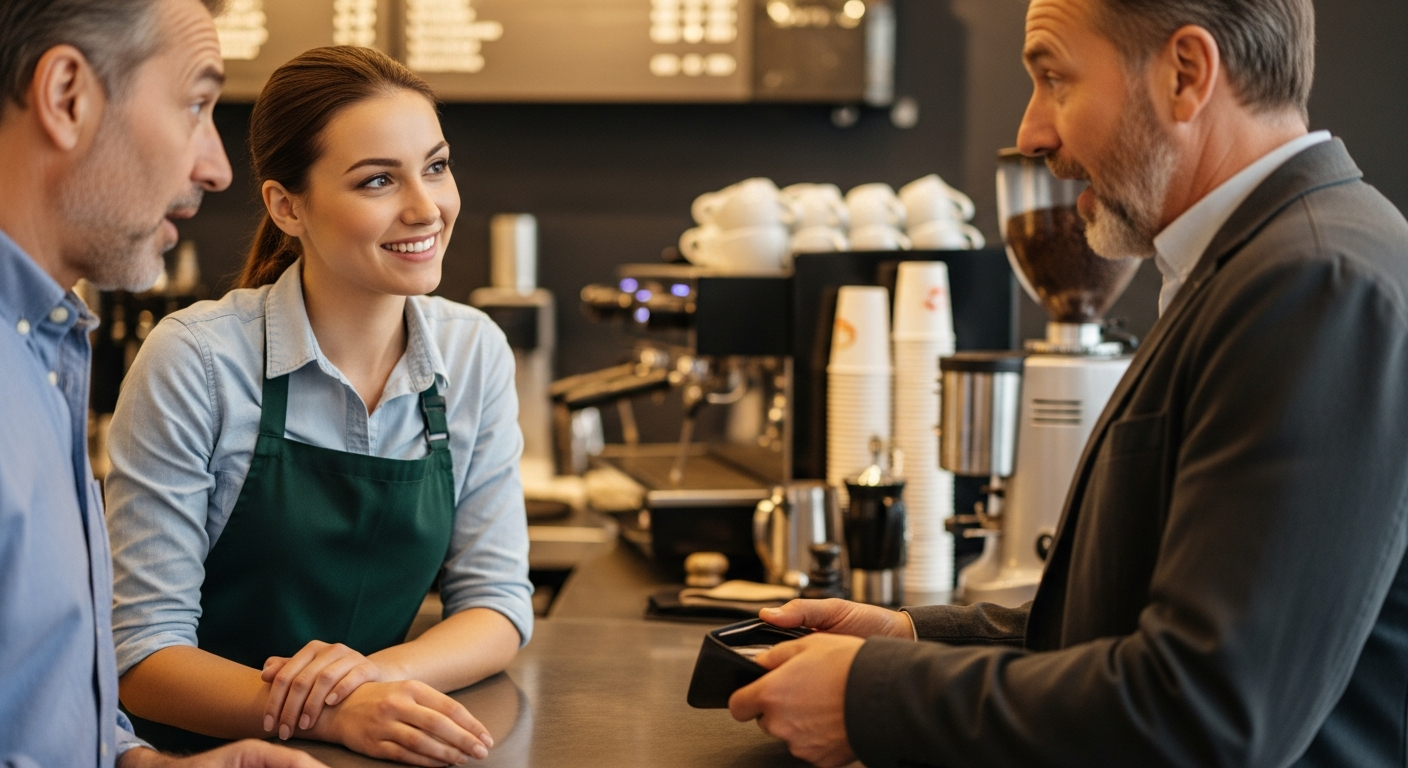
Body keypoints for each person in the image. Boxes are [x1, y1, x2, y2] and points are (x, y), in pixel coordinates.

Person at [729, 0, 1408, 766]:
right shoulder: (1266, 264)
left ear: (1185, 75)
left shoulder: (1314, 287)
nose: (1031, 134)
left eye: (1055, 78)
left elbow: (1206, 716)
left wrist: (874, 699)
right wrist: (915, 639)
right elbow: (1137, 623)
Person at [103, 45, 533, 766]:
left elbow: (496, 606)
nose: (426, 207)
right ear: (287, 205)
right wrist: (330, 713)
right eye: (376, 181)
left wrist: (372, 679)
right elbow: (142, 653)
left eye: (435, 165)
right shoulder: (198, 361)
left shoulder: (473, 353)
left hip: (371, 744)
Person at [0, 0, 326, 766]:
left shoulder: (47, 344)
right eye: (196, 105)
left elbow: (31, 694)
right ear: (68, 96)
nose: (215, 167)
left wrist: (139, 762)